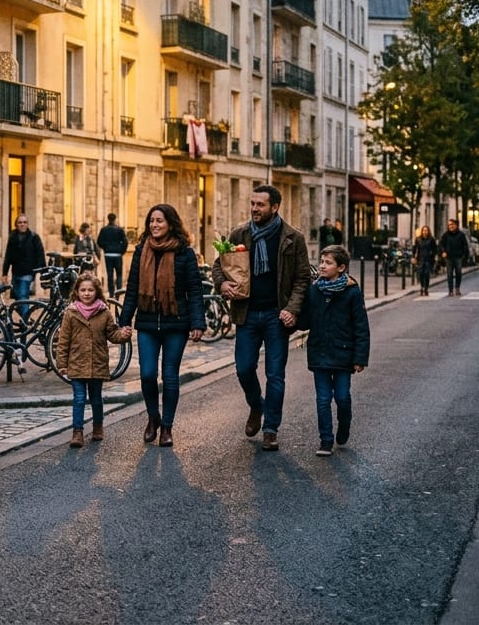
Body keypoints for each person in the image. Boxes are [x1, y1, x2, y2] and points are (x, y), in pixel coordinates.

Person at [211, 185, 311, 452]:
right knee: (244, 368)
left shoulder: (293, 238)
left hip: (277, 315)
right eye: (252, 203)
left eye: (260, 205)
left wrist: (292, 308)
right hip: (247, 313)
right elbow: (218, 266)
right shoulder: (240, 233)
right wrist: (222, 285)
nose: (254, 209)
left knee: (275, 374)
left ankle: (271, 429)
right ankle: (256, 405)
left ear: (275, 207)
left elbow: (303, 278)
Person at [118, 204, 205, 448]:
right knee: (147, 375)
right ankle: (153, 417)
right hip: (147, 322)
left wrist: (198, 321)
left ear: (170, 224)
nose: (155, 225)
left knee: (169, 376)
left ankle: (167, 426)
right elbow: (133, 288)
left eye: (160, 221)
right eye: (152, 221)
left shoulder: (184, 253)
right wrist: (123, 320)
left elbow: (195, 290)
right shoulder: (140, 251)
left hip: (176, 322)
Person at [297, 244, 369, 456]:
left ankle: (344, 423)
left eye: (328, 263)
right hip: (319, 351)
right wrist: (290, 313)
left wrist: (360, 357)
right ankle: (325, 440)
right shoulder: (314, 290)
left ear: (341, 267)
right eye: (321, 262)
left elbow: (361, 326)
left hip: (343, 353)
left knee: (343, 397)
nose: (322, 266)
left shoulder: (352, 292)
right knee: (322, 399)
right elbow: (305, 321)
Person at [53, 272, 127, 447]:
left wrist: (123, 335)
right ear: (77, 292)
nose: (86, 293)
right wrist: (61, 363)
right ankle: (77, 432)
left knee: (96, 398)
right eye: (83, 290)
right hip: (77, 363)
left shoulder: (104, 312)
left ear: (97, 292)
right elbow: (63, 340)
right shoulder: (71, 313)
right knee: (79, 398)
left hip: (97, 363)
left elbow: (112, 334)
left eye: (90, 290)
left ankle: (98, 427)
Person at [1, 215, 46, 319]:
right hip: (16, 273)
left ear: (27, 224)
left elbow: (40, 254)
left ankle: (25, 324)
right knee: (17, 299)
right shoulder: (12, 237)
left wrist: (43, 272)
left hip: (28, 273)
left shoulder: (34, 237)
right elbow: (8, 256)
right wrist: (4, 273)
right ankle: (26, 319)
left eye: (25, 222)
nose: (22, 224)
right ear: (16, 224)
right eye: (20, 222)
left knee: (23, 297)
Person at [97, 212, 129, 296]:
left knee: (109, 274)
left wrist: (106, 248)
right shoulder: (119, 229)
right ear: (115, 219)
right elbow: (125, 242)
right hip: (118, 255)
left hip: (108, 255)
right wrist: (121, 251)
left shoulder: (104, 230)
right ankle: (118, 292)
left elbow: (99, 242)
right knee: (119, 274)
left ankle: (111, 293)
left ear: (108, 219)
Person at [439, 218, 470, 296]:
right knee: (449, 274)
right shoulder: (446, 235)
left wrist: (464, 255)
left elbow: (465, 246)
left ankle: (457, 288)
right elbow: (441, 244)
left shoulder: (461, 235)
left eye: (452, 224)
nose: (450, 226)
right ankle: (450, 290)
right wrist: (443, 251)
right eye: (449, 225)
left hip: (458, 257)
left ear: (456, 225)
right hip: (449, 257)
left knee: (458, 273)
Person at [411, 225, 438, 296]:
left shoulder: (431, 239)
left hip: (429, 259)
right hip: (420, 258)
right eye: (424, 230)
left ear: (428, 231)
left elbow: (435, 249)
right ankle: (422, 287)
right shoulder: (418, 239)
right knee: (420, 274)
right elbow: (415, 248)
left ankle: (426, 288)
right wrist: (414, 257)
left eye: (426, 230)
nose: (425, 232)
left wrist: (434, 256)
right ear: (422, 231)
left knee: (426, 274)